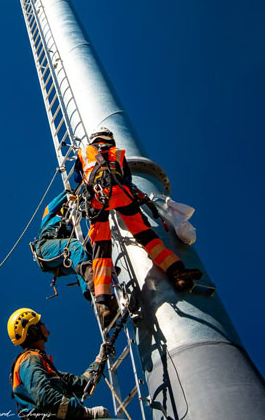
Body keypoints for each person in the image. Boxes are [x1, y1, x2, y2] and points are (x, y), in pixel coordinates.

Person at [75, 127, 202, 325]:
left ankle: (104, 303)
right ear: (110, 139)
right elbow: (127, 177)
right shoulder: (117, 153)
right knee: (146, 235)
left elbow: (79, 179)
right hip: (122, 193)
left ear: (93, 139)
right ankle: (177, 272)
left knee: (101, 248)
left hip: (98, 197)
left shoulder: (83, 152)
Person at [8, 307, 140, 420]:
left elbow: (82, 385)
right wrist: (86, 413)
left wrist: (99, 360)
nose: (44, 324)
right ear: (33, 330)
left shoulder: (47, 367)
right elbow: (46, 398)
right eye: (39, 323)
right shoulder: (29, 360)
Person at [32, 190, 94, 300]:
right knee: (75, 247)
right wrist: (72, 193)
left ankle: (99, 301)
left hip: (60, 265)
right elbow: (64, 196)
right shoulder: (50, 217)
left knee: (83, 259)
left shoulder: (73, 230)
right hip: (46, 248)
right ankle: (94, 283)